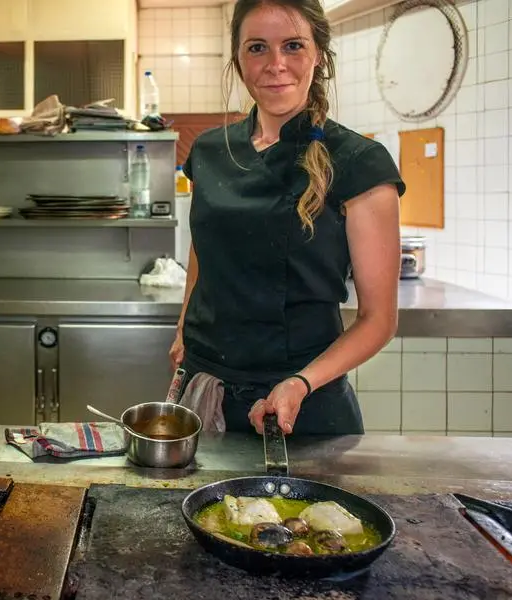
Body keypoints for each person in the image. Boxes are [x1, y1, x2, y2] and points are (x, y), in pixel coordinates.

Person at [171, 0, 405, 437]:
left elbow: (379, 319)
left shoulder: (358, 162)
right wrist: (185, 326)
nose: (276, 64)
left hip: (302, 403)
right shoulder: (208, 151)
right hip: (204, 392)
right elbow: (204, 249)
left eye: (293, 46)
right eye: (257, 48)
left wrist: (301, 382)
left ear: (318, 54)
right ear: (238, 60)